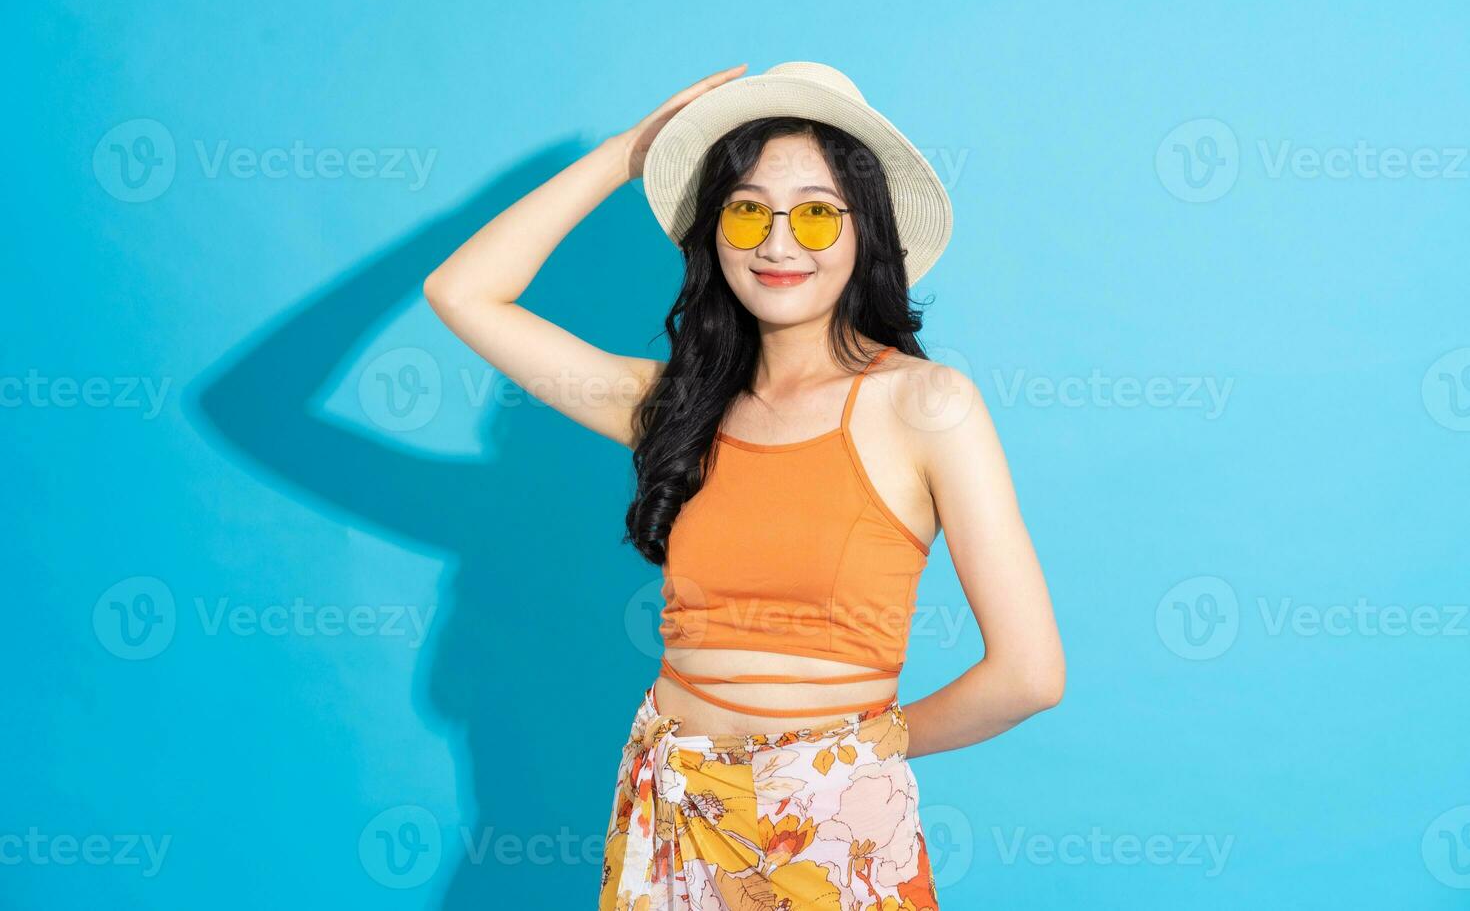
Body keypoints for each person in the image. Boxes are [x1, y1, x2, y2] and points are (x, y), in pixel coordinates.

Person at [424, 62, 1065, 910]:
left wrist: (860, 753)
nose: (777, 242)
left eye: (814, 214)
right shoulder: (675, 407)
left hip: (826, 821)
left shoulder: (926, 404)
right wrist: (627, 155)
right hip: (670, 807)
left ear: (866, 231)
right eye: (748, 209)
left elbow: (1029, 674)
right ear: (713, 230)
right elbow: (462, 293)